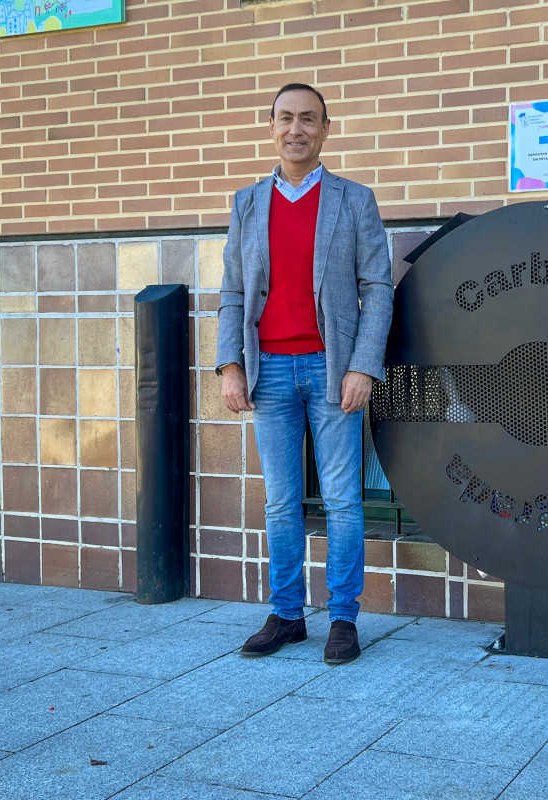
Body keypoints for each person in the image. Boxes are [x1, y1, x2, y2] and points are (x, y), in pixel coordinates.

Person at [216, 83, 393, 665]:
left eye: (308, 120)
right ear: (271, 126)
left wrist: (363, 365)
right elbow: (234, 293)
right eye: (286, 118)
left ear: (325, 128)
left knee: (342, 499)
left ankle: (344, 617)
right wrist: (230, 365)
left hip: (330, 368)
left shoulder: (354, 199)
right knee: (280, 502)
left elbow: (377, 289)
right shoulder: (246, 202)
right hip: (267, 371)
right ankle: (286, 614)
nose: (297, 129)